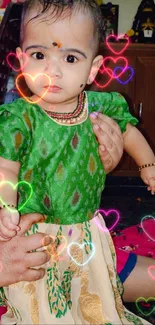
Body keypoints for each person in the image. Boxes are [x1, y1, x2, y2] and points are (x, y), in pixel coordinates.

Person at [0, 0, 154, 324]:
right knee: (39, 305)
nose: (52, 70)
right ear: (22, 57)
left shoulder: (99, 104)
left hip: (85, 231)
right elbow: (7, 167)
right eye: (40, 55)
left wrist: (148, 166)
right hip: (35, 233)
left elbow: (129, 133)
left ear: (94, 69)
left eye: (70, 58)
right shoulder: (21, 118)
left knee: (95, 296)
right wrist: (6, 206)